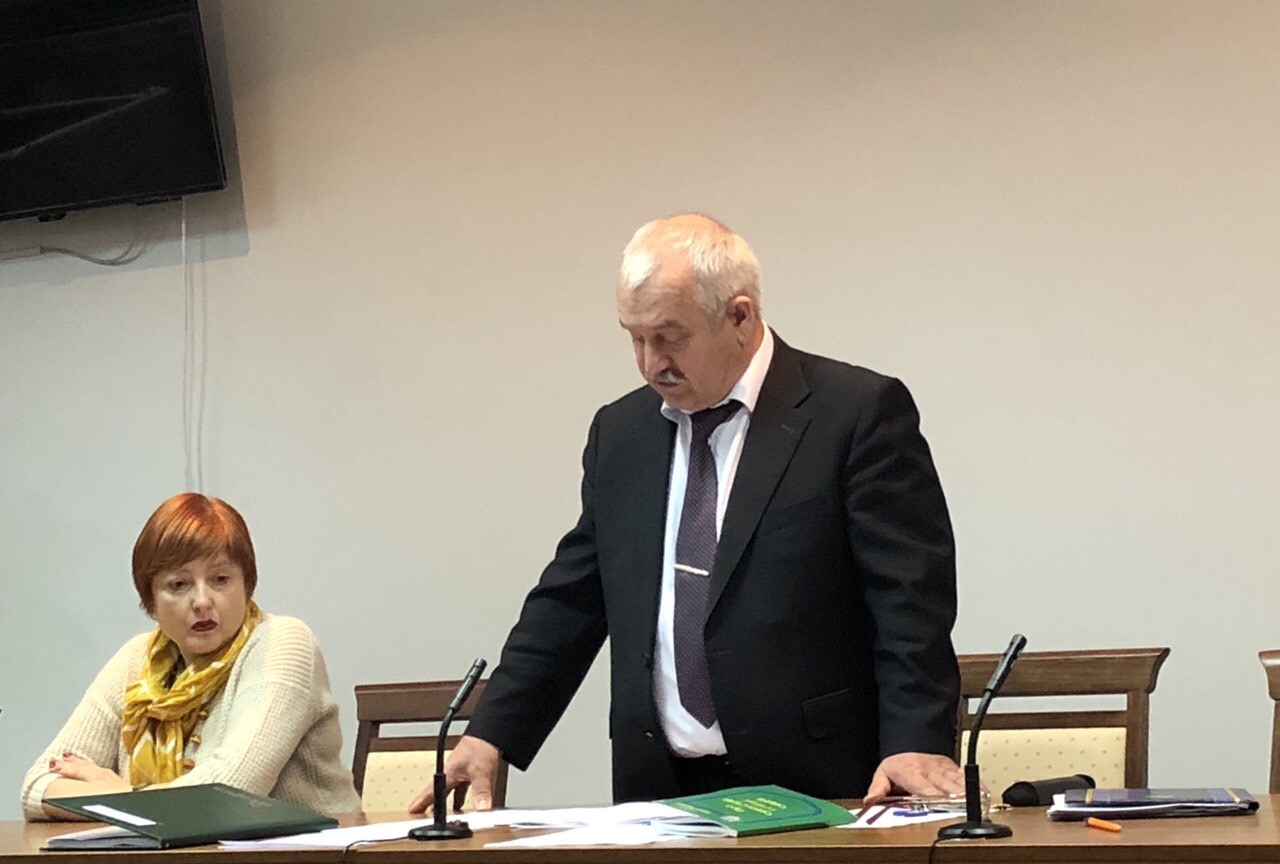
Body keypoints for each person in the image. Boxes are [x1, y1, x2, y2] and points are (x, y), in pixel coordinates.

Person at [410, 213, 963, 813]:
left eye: (670, 337)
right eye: (634, 338)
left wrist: (916, 739)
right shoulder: (621, 433)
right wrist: (492, 732)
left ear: (740, 316)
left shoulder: (853, 414)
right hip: (659, 791)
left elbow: (908, 598)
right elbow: (573, 596)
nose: (651, 363)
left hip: (822, 783)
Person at [20, 493, 361, 820]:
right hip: (176, 849)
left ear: (247, 585)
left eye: (220, 579)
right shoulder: (136, 660)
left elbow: (226, 795)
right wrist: (132, 803)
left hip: (311, 851)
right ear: (150, 600)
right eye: (179, 585)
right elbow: (37, 787)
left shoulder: (283, 642)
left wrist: (122, 798)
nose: (201, 601)